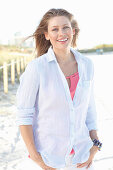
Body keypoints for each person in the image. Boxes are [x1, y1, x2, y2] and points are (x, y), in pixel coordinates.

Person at [16, 8, 102, 170]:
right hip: (49, 159)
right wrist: (37, 158)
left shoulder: (87, 65)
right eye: (54, 29)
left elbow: (89, 110)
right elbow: (24, 114)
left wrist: (95, 145)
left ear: (73, 31)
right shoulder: (37, 68)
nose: (61, 33)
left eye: (65, 27)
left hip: (81, 157)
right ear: (47, 35)